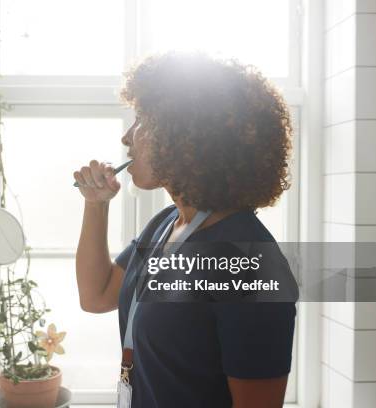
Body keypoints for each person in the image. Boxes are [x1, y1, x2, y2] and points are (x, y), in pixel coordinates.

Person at [74, 51, 297, 408]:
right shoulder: (165, 225)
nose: (127, 138)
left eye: (142, 120)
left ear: (186, 133)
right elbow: (96, 295)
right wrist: (95, 204)